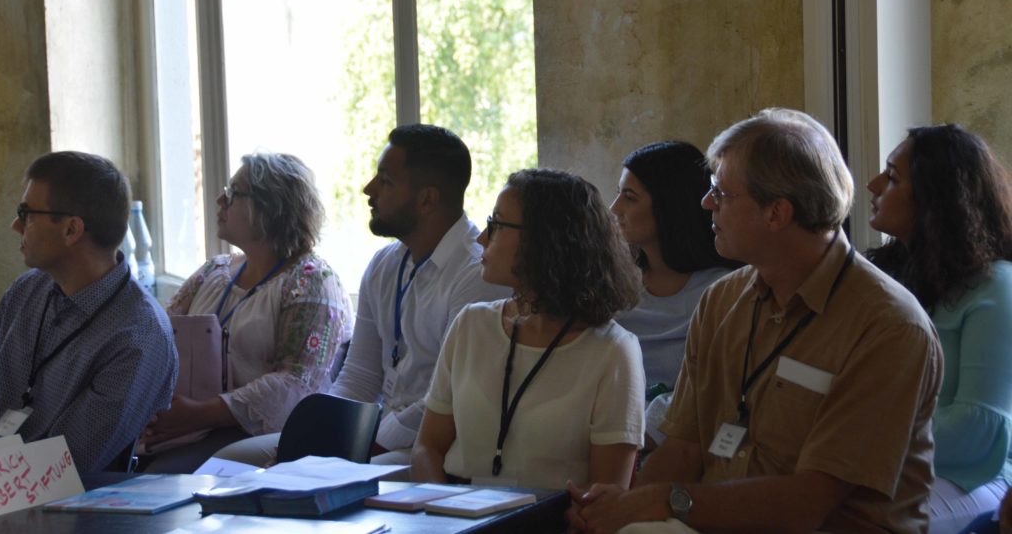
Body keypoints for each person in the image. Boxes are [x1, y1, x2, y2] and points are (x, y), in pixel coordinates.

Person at [568, 108, 944, 534]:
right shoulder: (722, 301)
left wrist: (664, 501)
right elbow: (685, 448)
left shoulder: (887, 327)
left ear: (777, 214)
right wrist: (621, 512)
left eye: (721, 193)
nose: (706, 203)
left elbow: (808, 503)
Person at [216, 124, 506, 466]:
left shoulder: (476, 273)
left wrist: (357, 448)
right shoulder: (385, 265)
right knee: (231, 462)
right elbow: (359, 378)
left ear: (427, 199)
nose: (368, 189)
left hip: (431, 448)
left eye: (385, 181)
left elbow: (449, 397)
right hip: (372, 437)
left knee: (312, 479)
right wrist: (316, 437)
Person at [0, 151, 177, 472]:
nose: (16, 225)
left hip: (53, 509)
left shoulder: (138, 336)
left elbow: (64, 467)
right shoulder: (25, 293)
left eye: (27, 213)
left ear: (71, 230)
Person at [411, 168, 645, 489]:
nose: (481, 238)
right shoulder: (471, 324)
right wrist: (441, 513)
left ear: (546, 241)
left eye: (497, 224)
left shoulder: (612, 350)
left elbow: (606, 496)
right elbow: (427, 448)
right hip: (454, 514)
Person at [139, 153, 354, 472]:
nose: (219, 199)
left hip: (256, 435)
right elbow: (159, 338)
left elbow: (296, 385)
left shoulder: (312, 282)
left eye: (233, 192)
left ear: (270, 207)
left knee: (159, 479)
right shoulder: (214, 270)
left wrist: (200, 413)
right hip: (189, 427)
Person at [866, 125, 1012, 534]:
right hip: (889, 464)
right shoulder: (884, 276)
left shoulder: (997, 285)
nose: (872, 184)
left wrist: (861, 436)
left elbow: (978, 429)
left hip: (979, 477)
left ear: (936, 198)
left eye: (892, 177)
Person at [610, 142, 737, 448]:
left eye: (630, 198)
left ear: (669, 206)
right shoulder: (615, 286)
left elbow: (709, 400)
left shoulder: (722, 292)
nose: (615, 208)